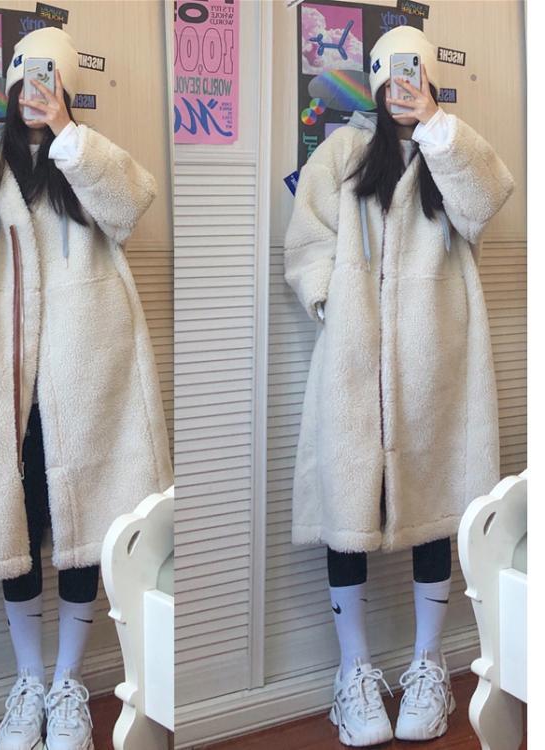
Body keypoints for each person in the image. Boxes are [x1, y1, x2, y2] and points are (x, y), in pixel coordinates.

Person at [0, 27, 173, 750]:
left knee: (88, 531)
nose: (35, 92)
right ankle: (29, 679)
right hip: (4, 380)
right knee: (16, 530)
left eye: (49, 80)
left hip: (91, 375)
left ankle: (68, 682)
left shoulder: (88, 155)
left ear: (65, 88)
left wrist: (68, 134)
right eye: (26, 79)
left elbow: (129, 206)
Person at [283, 25, 514, 747]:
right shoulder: (342, 152)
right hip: (352, 364)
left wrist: (438, 126)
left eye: (414, 73)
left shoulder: (453, 150)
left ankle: (427, 663)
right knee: (347, 505)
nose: (402, 87)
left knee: (435, 504)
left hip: (439, 360)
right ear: (376, 80)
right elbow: (306, 241)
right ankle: (353, 670)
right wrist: (331, 302)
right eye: (392, 75)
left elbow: (486, 200)